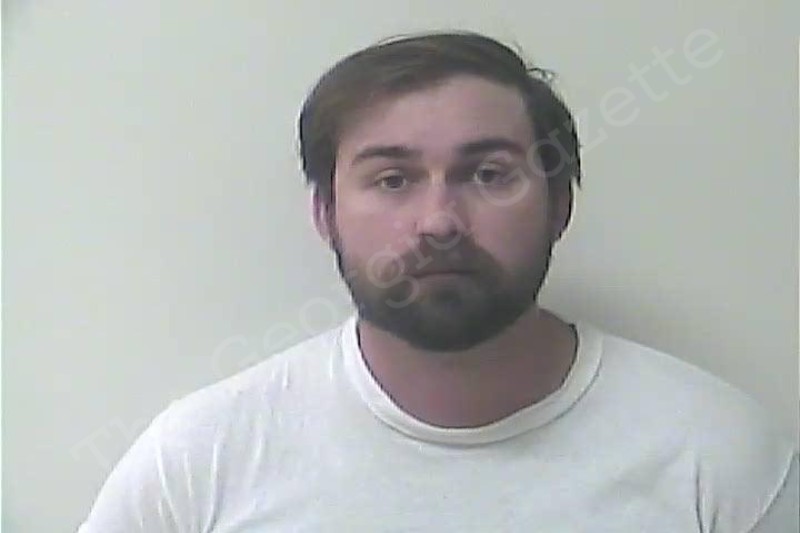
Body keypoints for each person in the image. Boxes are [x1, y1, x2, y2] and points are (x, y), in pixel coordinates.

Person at [78, 31, 798, 532]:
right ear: (325, 214)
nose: (439, 222)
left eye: (488, 174)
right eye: (392, 179)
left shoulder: (717, 453)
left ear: (560, 205)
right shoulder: (201, 459)